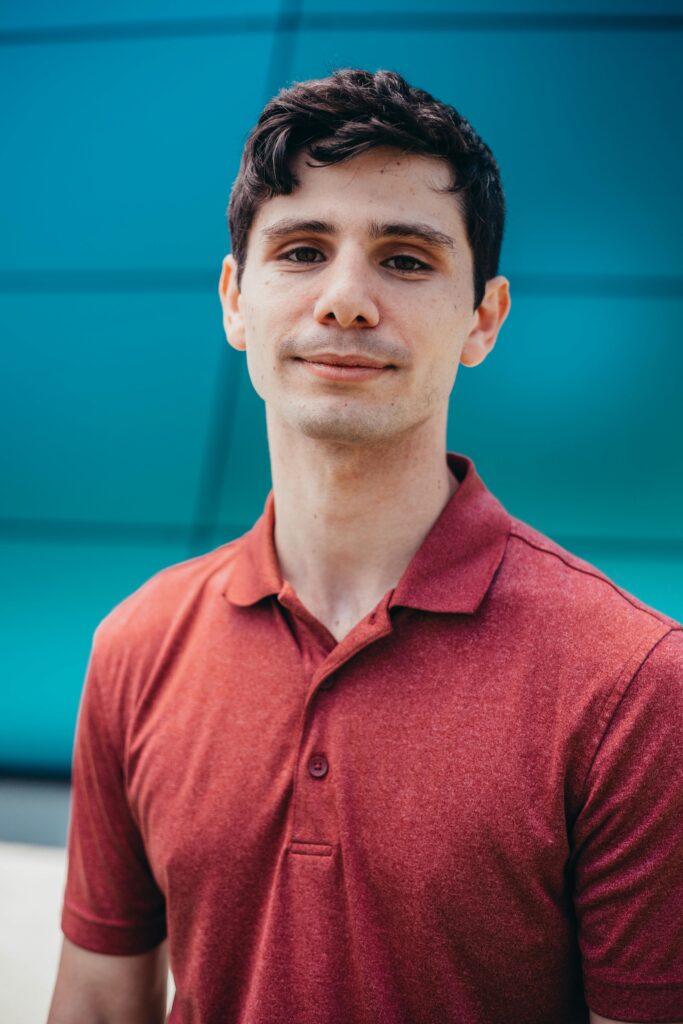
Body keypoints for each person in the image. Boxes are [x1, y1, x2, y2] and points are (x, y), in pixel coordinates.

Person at [48, 68, 683, 1024]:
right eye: (301, 251)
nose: (345, 300)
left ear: (483, 319)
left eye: (407, 259)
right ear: (233, 299)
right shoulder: (136, 645)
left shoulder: (633, 685)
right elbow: (99, 1004)